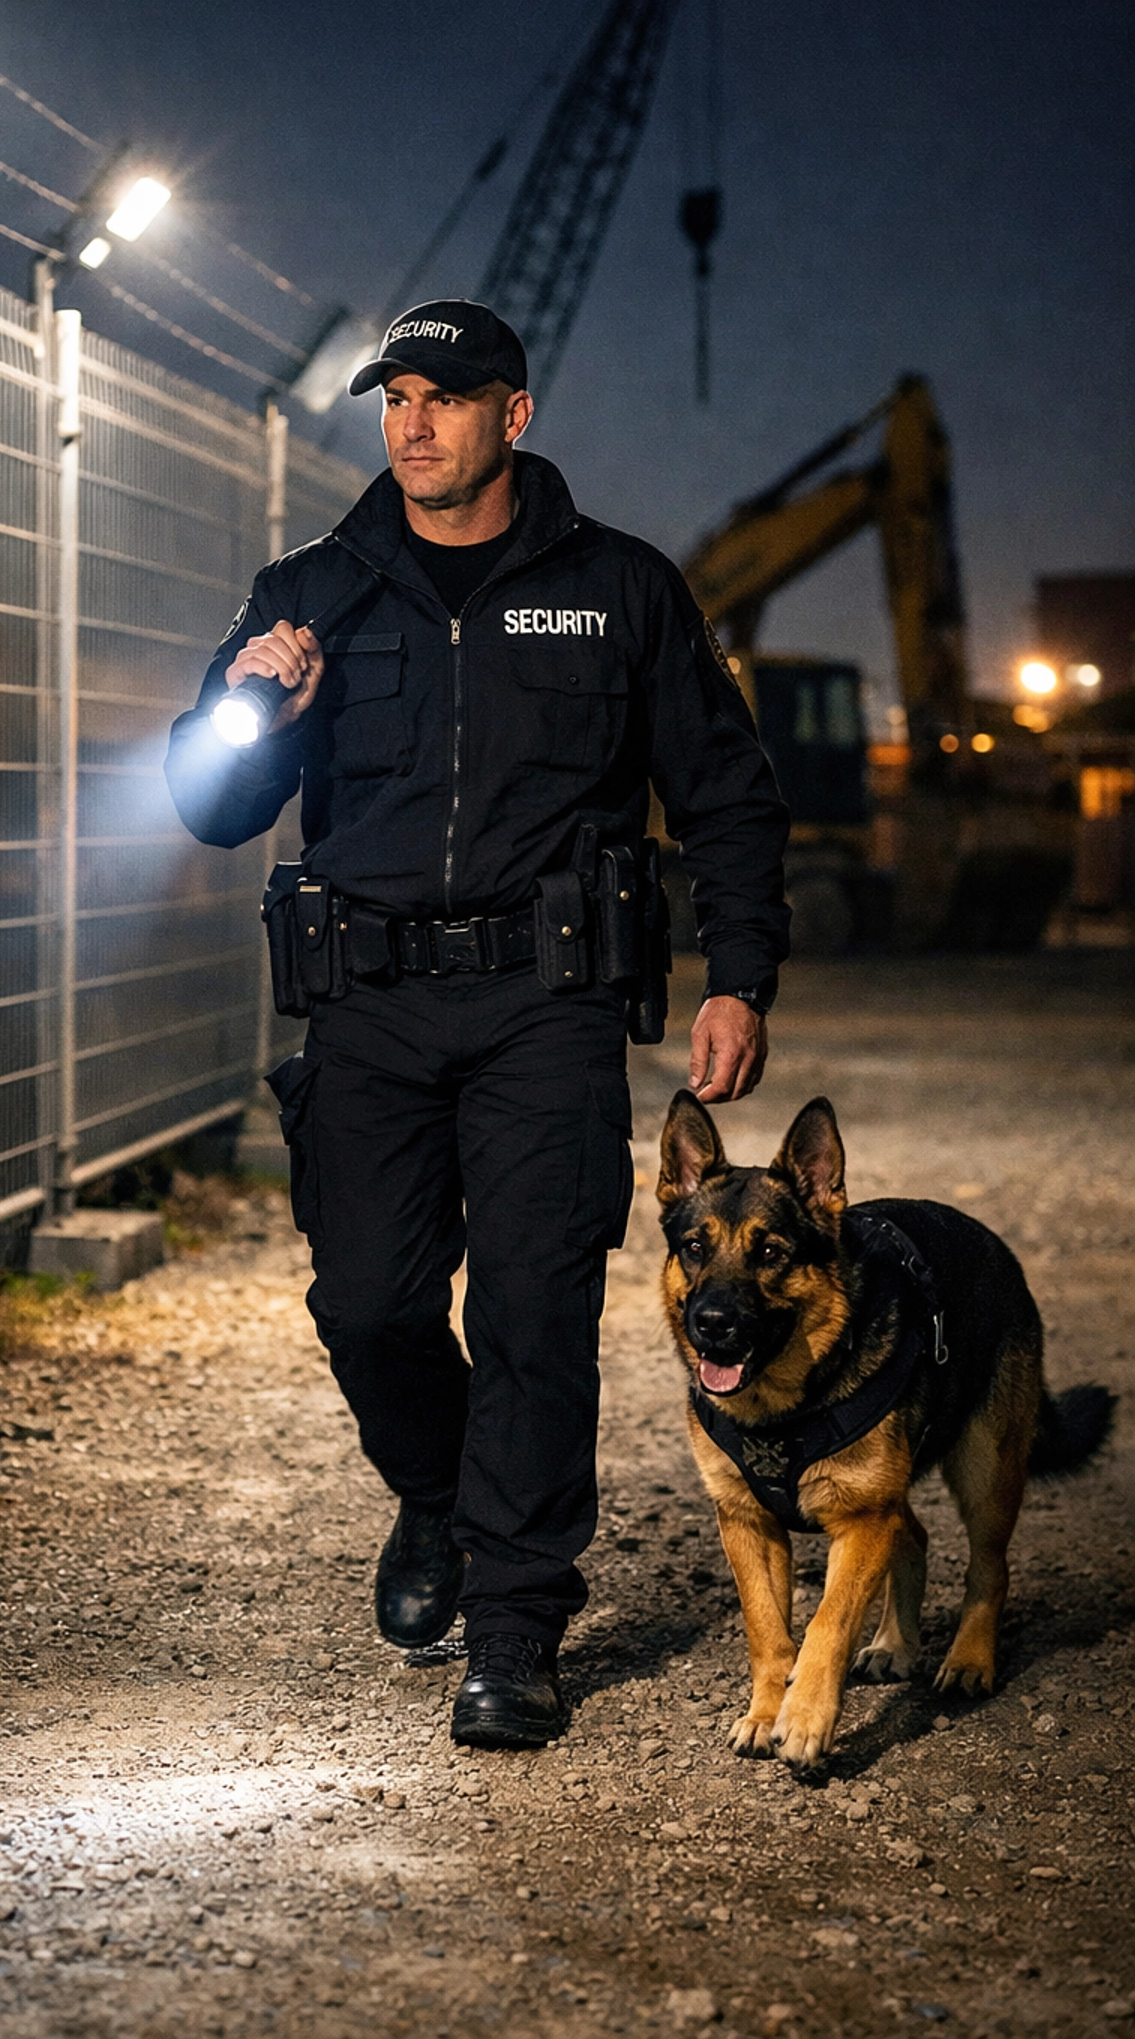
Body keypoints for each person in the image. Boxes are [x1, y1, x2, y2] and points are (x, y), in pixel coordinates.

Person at [165, 300, 789, 1746]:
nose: (413, 423)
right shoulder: (310, 592)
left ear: (515, 414)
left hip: (545, 1006)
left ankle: (514, 1629)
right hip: (370, 1002)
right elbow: (211, 808)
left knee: (533, 1312)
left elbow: (726, 792)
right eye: (395, 397)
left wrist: (741, 973)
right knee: (368, 1303)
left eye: (445, 397)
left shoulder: (620, 587)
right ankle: (439, 1494)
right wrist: (253, 716)